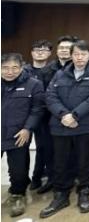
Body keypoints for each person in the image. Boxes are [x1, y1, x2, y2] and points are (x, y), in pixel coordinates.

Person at [40, 40, 89, 217]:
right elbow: (50, 96)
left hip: (84, 125)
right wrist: (64, 115)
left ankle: (84, 191)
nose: (79, 58)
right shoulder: (60, 74)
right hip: (60, 124)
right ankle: (61, 194)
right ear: (71, 55)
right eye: (76, 54)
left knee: (84, 160)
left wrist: (75, 115)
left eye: (83, 54)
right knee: (60, 161)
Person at [1, 53, 45, 217]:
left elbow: (37, 109)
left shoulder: (33, 84)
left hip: (18, 134)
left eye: (14, 68)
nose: (9, 72)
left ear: (21, 68)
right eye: (5, 68)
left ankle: (17, 195)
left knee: (18, 171)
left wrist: (27, 128)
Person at [26, 40, 56, 193]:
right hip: (26, 114)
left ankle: (40, 177)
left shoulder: (54, 71)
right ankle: (27, 178)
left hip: (47, 115)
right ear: (31, 52)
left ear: (49, 53)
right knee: (23, 149)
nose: (39, 52)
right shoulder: (24, 71)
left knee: (45, 147)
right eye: (36, 49)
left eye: (44, 50)